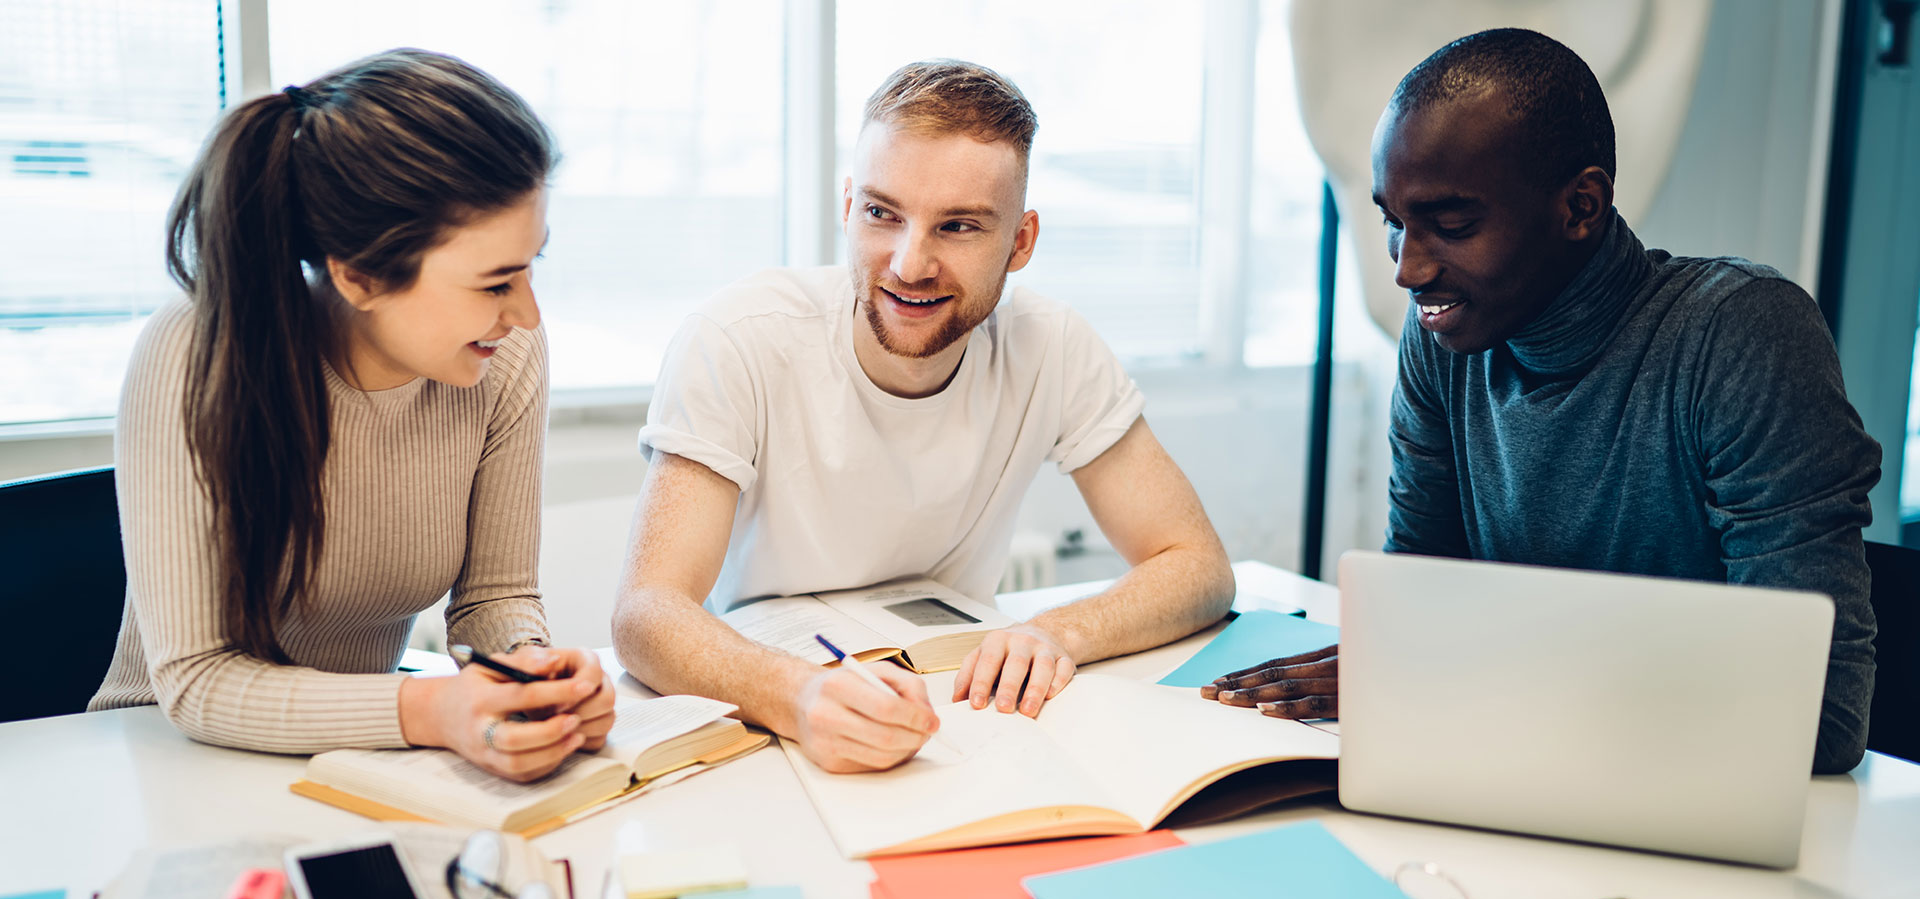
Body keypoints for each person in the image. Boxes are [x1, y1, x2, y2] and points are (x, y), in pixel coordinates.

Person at [1203, 28, 1879, 775]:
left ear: (1581, 206)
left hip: (1703, 812)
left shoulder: (1740, 333)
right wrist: (1421, 656)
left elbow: (1819, 715)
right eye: (1394, 222)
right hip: (1514, 774)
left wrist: (1455, 664)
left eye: (1452, 224)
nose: (1407, 269)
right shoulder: (1442, 338)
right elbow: (1417, 617)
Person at [613, 60, 1234, 774]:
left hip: (963, 712)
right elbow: (646, 613)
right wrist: (798, 694)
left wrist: (1058, 632)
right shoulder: (738, 337)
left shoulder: (1054, 344)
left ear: (1021, 242)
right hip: (773, 712)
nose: (910, 264)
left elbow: (1198, 566)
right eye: (882, 213)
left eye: (959, 226)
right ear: (848, 207)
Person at [89, 49, 616, 783]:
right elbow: (197, 679)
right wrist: (431, 710)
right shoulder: (194, 354)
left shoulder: (503, 353)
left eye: (531, 266)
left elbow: (495, 596)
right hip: (168, 760)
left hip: (360, 757)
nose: (526, 313)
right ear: (360, 276)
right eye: (496, 282)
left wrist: (531, 680)